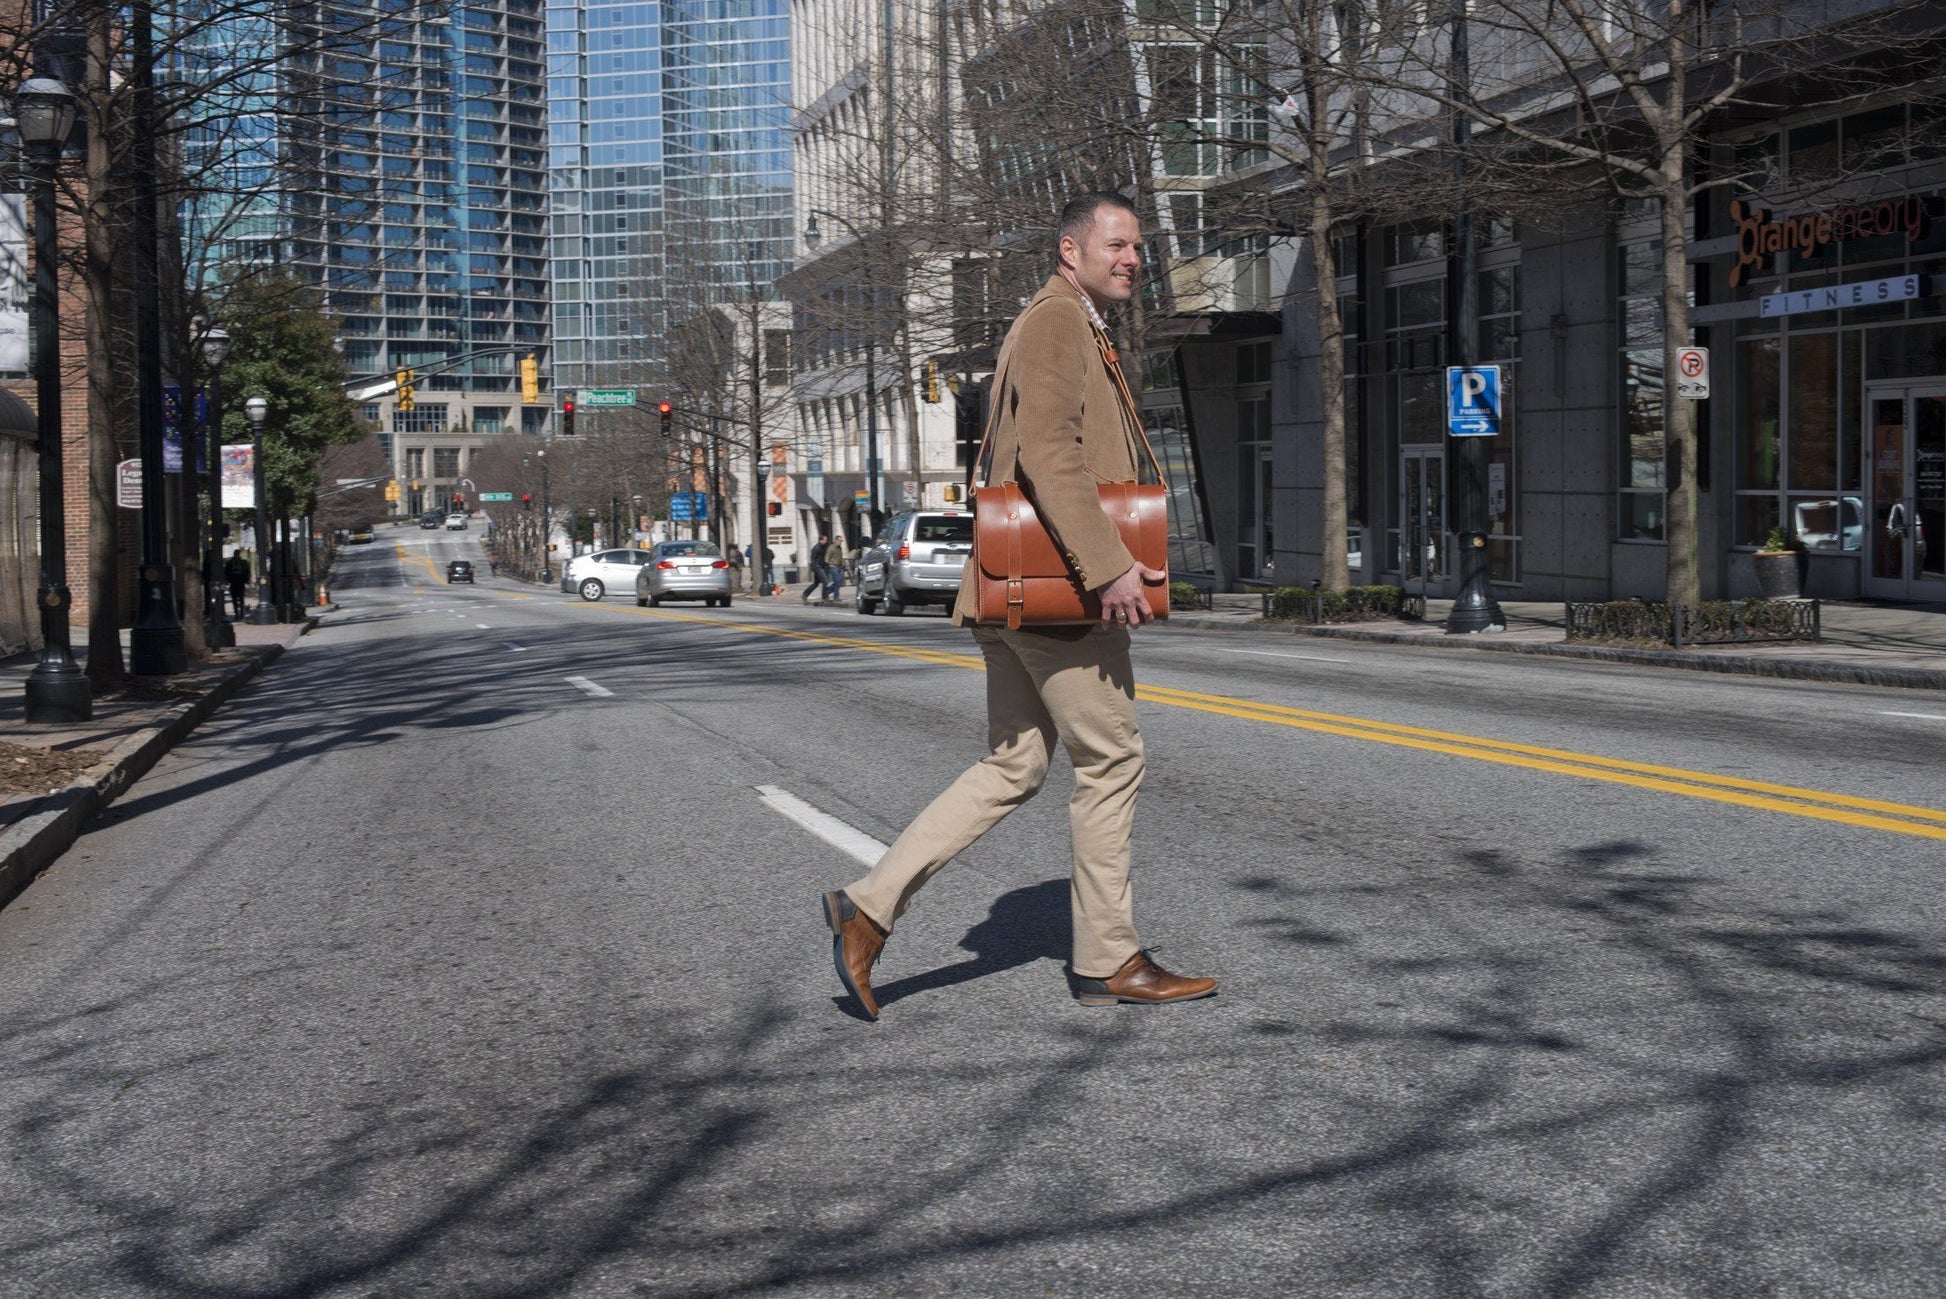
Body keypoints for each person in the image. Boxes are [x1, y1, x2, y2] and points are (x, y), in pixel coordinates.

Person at [821, 192, 1215, 1020]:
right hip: (1059, 596)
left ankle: (869, 904)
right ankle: (1109, 956)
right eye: (1118, 245)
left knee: (1015, 766)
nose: (1133, 258)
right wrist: (1109, 567)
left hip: (1016, 592)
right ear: (1071, 250)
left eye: (1138, 247)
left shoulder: (1068, 321)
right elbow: (1049, 455)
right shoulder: (1056, 321)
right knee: (1111, 760)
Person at [802, 534, 829, 604]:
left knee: (816, 583)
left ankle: (804, 595)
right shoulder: (816, 548)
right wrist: (815, 568)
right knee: (825, 581)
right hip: (818, 567)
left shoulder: (823, 547)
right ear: (821, 540)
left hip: (821, 567)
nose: (826, 541)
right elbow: (813, 559)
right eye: (825, 540)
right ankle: (824, 597)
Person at [222, 552, 250, 617]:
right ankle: (236, 612)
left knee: (241, 598)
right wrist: (227, 580)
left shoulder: (243, 562)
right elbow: (226, 572)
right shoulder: (229, 563)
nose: (237, 556)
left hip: (241, 582)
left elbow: (247, 571)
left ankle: (241, 612)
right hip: (233, 582)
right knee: (234, 598)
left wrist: (247, 580)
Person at [822, 535, 847, 603]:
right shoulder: (831, 548)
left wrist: (843, 563)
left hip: (839, 567)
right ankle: (836, 597)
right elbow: (826, 559)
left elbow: (840, 557)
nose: (840, 542)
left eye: (841, 541)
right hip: (833, 567)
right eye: (839, 541)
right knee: (837, 581)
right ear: (836, 540)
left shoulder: (839, 548)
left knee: (838, 582)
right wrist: (831, 563)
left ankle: (826, 593)